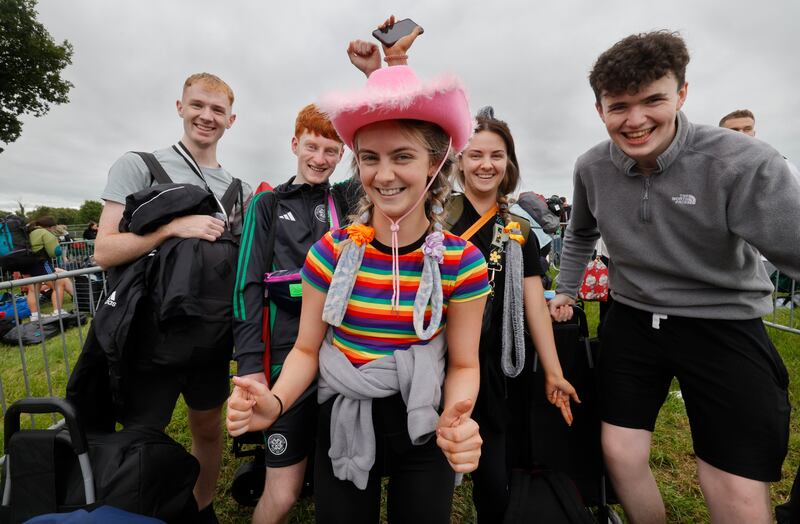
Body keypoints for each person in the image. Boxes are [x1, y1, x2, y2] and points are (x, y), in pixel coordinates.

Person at [228, 18, 488, 523]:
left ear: (436, 164)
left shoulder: (462, 261)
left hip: (423, 417)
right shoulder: (328, 253)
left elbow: (462, 363)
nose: (383, 174)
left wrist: (458, 418)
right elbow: (307, 348)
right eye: (369, 158)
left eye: (403, 156)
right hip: (343, 413)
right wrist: (275, 404)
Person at [549, 31, 800, 523]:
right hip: (633, 317)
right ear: (599, 109)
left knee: (731, 480)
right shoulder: (591, 167)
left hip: (723, 321)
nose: (636, 120)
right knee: (619, 452)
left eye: (653, 101)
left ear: (682, 93)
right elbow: (579, 234)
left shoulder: (743, 163)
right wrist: (565, 288)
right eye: (619, 106)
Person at [94, 72, 252, 522]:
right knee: (142, 434)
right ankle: (143, 512)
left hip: (206, 334)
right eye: (198, 105)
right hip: (148, 333)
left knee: (207, 428)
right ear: (180, 107)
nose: (207, 116)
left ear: (231, 120)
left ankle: (200, 511)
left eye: (218, 110)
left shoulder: (235, 189)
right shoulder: (138, 165)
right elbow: (105, 250)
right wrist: (169, 228)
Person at [448, 106, 578, 522]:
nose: (486, 165)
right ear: (459, 162)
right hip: (442, 353)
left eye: (497, 156)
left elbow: (533, 305)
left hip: (500, 358)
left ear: (509, 164)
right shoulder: (438, 218)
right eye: (475, 155)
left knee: (495, 462)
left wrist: (554, 371)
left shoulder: (520, 228)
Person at [232, 103, 350, 524]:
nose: (320, 159)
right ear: (294, 144)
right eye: (312, 147)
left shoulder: (348, 200)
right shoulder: (267, 203)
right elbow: (246, 287)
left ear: (343, 154)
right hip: (286, 359)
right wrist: (250, 367)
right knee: (282, 496)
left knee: (341, 484)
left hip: (343, 357)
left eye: (331, 151)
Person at [719, 108, 800, 182]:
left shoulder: (780, 165)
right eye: (734, 130)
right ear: (722, 135)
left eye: (747, 129)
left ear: (753, 133)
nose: (741, 133)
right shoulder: (713, 166)